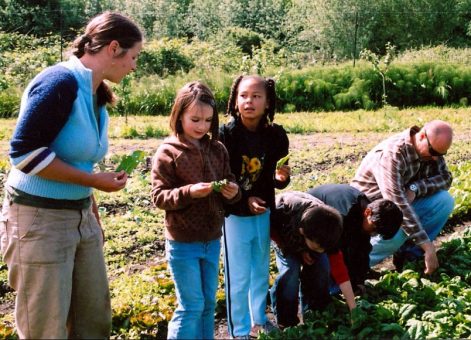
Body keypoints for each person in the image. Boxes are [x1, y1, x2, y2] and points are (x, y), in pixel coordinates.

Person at [0, 11, 143, 339]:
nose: (134, 66)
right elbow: (23, 154)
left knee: (93, 322)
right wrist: (95, 182)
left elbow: (76, 161)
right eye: (133, 57)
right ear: (113, 48)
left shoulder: (96, 93)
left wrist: (90, 208)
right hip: (39, 219)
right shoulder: (60, 82)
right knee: (46, 328)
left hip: (78, 217)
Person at [151, 81, 240, 339]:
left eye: (208, 120)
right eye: (195, 119)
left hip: (212, 239)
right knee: (191, 306)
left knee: (208, 305)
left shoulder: (217, 149)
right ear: (179, 116)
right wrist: (189, 192)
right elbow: (159, 197)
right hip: (183, 242)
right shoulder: (168, 152)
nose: (202, 126)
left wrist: (233, 192)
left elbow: (230, 179)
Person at [219, 75, 291, 338]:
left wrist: (281, 179)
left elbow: (274, 175)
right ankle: (238, 329)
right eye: (243, 96)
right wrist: (244, 198)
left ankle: (258, 320)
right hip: (234, 214)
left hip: (263, 212)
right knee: (237, 275)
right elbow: (224, 176)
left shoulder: (275, 135)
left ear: (267, 101)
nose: (249, 101)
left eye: (256, 96)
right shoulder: (226, 135)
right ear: (235, 101)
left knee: (260, 269)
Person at [351, 120, 454, 274]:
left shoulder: (431, 151)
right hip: (373, 213)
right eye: (433, 152)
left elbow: (446, 178)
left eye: (440, 154)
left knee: (444, 201)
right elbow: (397, 204)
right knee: (399, 231)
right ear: (421, 136)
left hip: (399, 206)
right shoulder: (393, 154)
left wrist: (416, 188)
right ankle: (354, 268)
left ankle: (409, 256)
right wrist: (427, 245)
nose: (435, 158)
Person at [269, 191, 354, 329]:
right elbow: (274, 233)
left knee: (322, 266)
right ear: (303, 233)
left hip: (309, 230)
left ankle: (313, 312)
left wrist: (353, 309)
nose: (320, 251)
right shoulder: (281, 213)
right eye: (317, 248)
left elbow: (340, 272)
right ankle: (286, 320)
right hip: (282, 232)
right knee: (291, 270)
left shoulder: (328, 229)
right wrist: (299, 250)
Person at [308, 184, 403, 292]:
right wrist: (352, 285)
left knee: (359, 247)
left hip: (333, 224)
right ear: (367, 213)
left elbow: (363, 249)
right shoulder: (345, 215)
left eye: (378, 233)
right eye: (375, 229)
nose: (374, 234)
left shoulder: (368, 215)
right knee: (328, 269)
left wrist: (359, 280)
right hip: (311, 227)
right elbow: (337, 254)